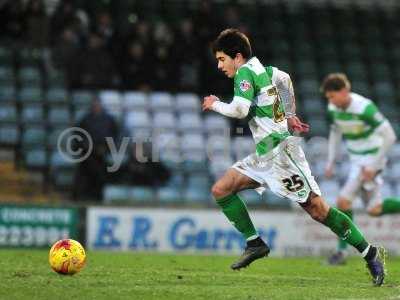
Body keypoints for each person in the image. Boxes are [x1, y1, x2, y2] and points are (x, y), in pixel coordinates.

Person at [202, 28, 385, 286]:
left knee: (318, 210)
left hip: (282, 155)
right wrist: (288, 113)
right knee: (222, 189)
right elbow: (285, 78)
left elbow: (240, 109)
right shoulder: (265, 71)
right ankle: (255, 243)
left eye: (222, 59)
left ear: (238, 56)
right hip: (265, 155)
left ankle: (370, 253)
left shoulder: (244, 72)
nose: (220, 65)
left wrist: (215, 104)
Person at [321, 73, 400, 265]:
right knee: (374, 209)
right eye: (328, 98)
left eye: (332, 96)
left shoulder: (364, 107)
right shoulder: (333, 108)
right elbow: (335, 133)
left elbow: (390, 136)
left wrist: (374, 165)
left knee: (342, 202)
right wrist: (330, 160)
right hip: (357, 161)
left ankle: (341, 254)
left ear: (344, 91)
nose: (330, 101)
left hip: (371, 159)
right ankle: (342, 253)